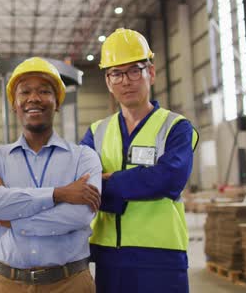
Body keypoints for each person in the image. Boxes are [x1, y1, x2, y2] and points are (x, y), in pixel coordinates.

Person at [80, 28, 199, 293]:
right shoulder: (96, 131)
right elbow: (82, 185)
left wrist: (109, 183)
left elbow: (170, 179)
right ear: (108, 82)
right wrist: (141, 180)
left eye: (135, 70)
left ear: (151, 73)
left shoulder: (176, 127)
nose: (126, 81)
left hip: (161, 256)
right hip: (110, 256)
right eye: (116, 73)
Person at [0, 57, 102, 293]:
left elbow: (79, 215)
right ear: (14, 103)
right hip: (6, 284)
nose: (34, 98)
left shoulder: (84, 157)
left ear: (57, 102)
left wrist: (12, 219)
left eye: (44, 91)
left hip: (70, 283)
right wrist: (58, 194)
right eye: (25, 92)